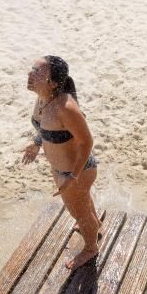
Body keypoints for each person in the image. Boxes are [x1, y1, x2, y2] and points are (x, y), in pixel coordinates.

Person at [21, 56, 101, 269]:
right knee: (83, 206)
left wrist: (73, 178)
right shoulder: (43, 97)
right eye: (32, 69)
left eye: (38, 73)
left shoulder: (65, 108)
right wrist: (37, 143)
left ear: (53, 82)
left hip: (76, 172)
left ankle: (91, 248)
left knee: (80, 213)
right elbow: (45, 127)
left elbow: (87, 141)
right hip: (66, 171)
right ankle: (94, 225)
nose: (30, 75)